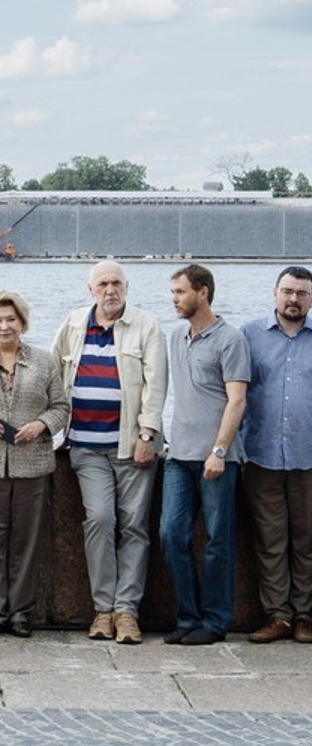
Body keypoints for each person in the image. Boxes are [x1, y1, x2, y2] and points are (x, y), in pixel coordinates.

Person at [51, 261, 167, 646]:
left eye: (116, 282)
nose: (110, 289)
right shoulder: (72, 325)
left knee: (134, 526)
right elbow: (53, 375)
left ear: (127, 286)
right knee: (99, 520)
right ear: (91, 289)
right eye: (103, 283)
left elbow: (156, 384)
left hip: (131, 446)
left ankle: (127, 612)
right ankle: (103, 609)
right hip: (85, 446)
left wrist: (148, 433)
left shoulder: (146, 326)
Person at [0, 291, 69, 638]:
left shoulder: (45, 361)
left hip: (31, 465)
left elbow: (62, 407)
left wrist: (42, 425)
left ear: (22, 322)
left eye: (10, 319)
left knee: (27, 541)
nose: (4, 326)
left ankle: (21, 612)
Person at [160, 263, 250, 645]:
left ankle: (214, 622)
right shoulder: (176, 335)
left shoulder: (231, 339)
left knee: (218, 540)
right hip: (178, 455)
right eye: (173, 292)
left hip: (218, 458)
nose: (175, 299)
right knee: (170, 534)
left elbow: (237, 400)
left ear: (203, 292)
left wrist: (219, 450)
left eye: (181, 292)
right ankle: (187, 616)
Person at [243, 266, 312, 644]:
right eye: (287, 291)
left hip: (308, 456)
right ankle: (278, 616)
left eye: (301, 293)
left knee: (306, 540)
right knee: (270, 540)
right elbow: (235, 392)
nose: (293, 299)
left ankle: (305, 616)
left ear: (310, 299)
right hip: (261, 454)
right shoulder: (250, 335)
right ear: (274, 293)